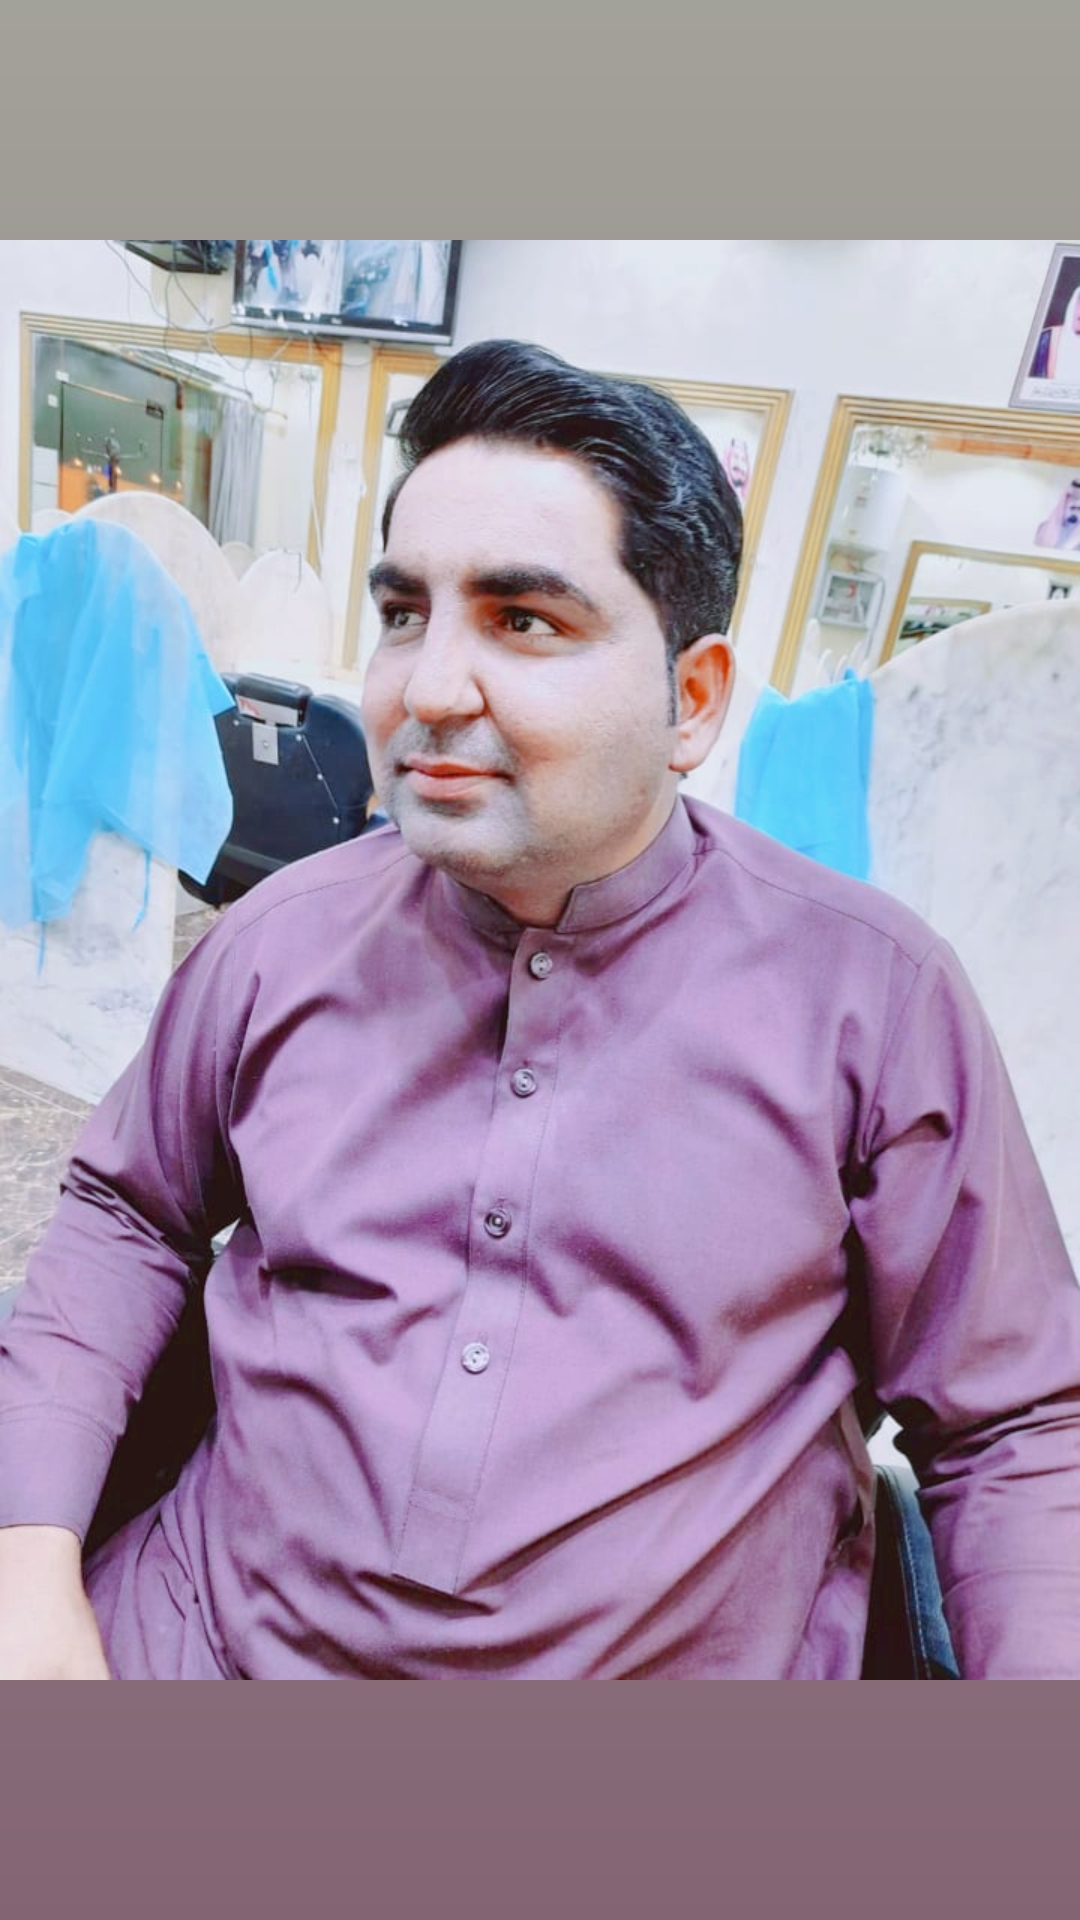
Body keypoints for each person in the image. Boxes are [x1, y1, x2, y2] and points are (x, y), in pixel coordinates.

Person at [1, 339, 1079, 1680]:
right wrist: (27, 1562)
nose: (425, 689)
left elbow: (1016, 1427)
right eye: (406, 613)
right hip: (197, 1647)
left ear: (692, 700)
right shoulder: (278, 937)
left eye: (523, 621)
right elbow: (126, 1214)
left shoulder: (873, 999)